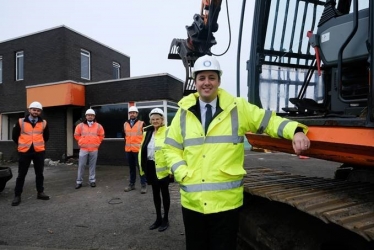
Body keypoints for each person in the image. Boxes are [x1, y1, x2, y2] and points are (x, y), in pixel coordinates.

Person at [163, 55, 311, 250]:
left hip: (226, 205)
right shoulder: (183, 113)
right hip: (193, 204)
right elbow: (170, 148)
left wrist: (295, 130)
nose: (207, 82)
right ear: (195, 81)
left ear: (219, 81)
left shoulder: (237, 107)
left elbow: (268, 120)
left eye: (211, 77)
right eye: (202, 78)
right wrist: (181, 171)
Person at [11, 101, 50, 206]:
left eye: (38, 110)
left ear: (40, 112)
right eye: (34, 109)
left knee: (39, 174)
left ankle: (40, 192)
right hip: (24, 151)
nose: (36, 112)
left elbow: (46, 137)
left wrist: (37, 145)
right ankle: (17, 195)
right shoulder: (21, 121)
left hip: (38, 151)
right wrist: (23, 144)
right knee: (21, 175)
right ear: (29, 110)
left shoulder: (44, 123)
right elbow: (15, 136)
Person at [139, 108, 170, 232]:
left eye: (158, 119)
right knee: (155, 194)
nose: (155, 121)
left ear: (162, 120)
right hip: (151, 167)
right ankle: (158, 218)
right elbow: (143, 149)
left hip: (163, 168)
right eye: (153, 119)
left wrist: (171, 170)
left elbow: (172, 150)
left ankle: (166, 219)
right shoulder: (147, 132)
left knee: (165, 193)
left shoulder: (168, 131)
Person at [74, 108, 105, 189]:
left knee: (92, 165)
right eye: (88, 115)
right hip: (83, 149)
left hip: (94, 149)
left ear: (94, 116)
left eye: (92, 115)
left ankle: (92, 180)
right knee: (81, 165)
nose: (90, 117)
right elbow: (76, 135)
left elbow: (102, 135)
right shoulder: (80, 126)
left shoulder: (98, 126)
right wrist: (81, 141)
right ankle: (79, 181)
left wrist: (97, 142)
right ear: (86, 116)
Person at [123, 106, 147, 194]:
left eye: (134, 112)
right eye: (130, 112)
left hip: (138, 150)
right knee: (131, 168)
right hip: (128, 150)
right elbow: (124, 137)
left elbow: (146, 137)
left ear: (137, 114)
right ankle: (131, 184)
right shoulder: (125, 124)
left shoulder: (142, 123)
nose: (132, 114)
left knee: (141, 168)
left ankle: (143, 185)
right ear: (129, 114)